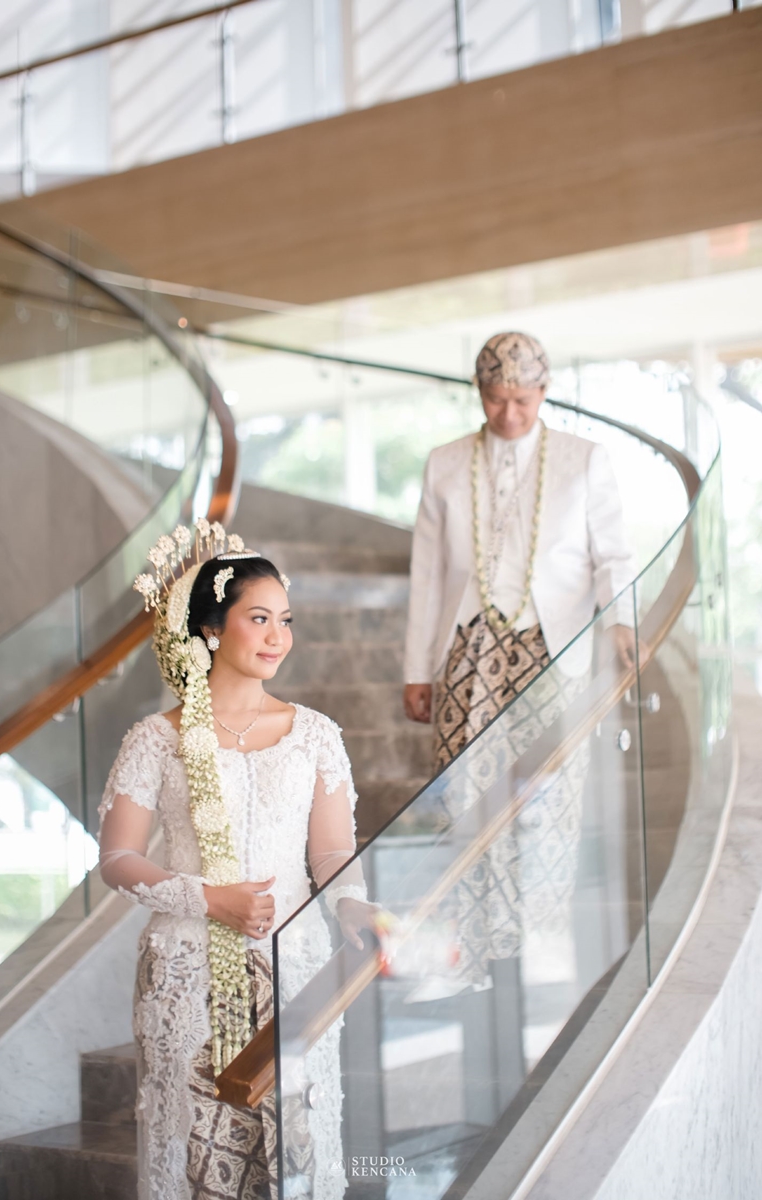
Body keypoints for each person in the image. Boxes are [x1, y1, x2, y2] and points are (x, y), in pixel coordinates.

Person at [99, 522, 371, 1200]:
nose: (278, 635)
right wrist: (207, 898)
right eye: (260, 618)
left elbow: (332, 850)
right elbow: (118, 857)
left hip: (293, 966)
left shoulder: (315, 735)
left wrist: (353, 904)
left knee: (295, 1152)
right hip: (185, 973)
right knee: (195, 1155)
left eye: (285, 619)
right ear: (212, 629)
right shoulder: (155, 739)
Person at [402, 331, 637, 981]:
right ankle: (475, 940)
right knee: (464, 795)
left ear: (544, 391)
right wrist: (417, 669)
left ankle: (538, 945)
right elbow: (427, 574)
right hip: (466, 649)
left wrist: (620, 620)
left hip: (551, 648)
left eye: (523, 400)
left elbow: (613, 554)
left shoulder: (585, 459)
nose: (509, 414)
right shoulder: (444, 463)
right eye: (496, 399)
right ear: (479, 392)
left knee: (547, 798)